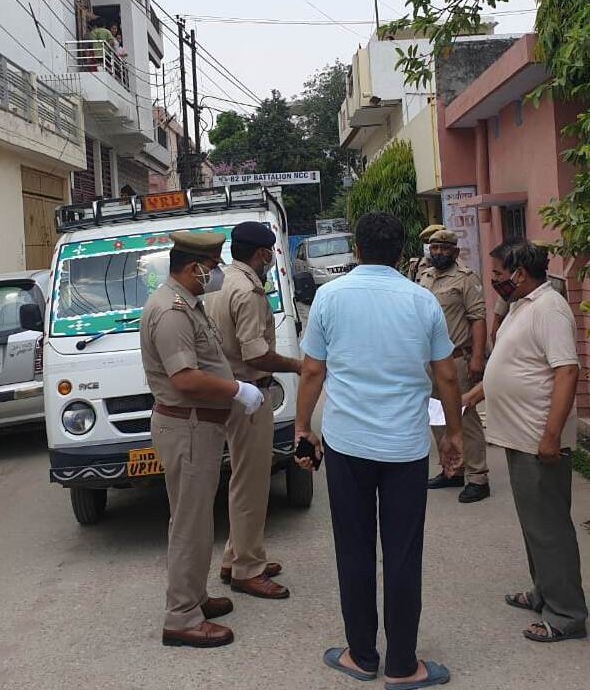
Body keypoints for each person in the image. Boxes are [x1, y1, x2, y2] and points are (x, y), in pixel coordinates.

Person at [295, 211, 463, 688]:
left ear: (358, 250)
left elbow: (312, 371)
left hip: (348, 444)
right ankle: (404, 665)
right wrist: (453, 434)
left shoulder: (329, 297)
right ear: (399, 251)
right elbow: (446, 375)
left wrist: (303, 426)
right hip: (406, 447)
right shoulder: (422, 300)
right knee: (404, 552)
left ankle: (362, 655)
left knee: (354, 548)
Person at [140, 230, 266, 648]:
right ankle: (181, 617)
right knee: (190, 525)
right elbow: (185, 378)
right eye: (211, 268)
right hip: (187, 426)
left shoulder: (186, 303)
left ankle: (193, 597)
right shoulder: (172, 311)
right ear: (194, 267)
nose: (215, 275)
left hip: (197, 426)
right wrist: (238, 390)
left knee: (195, 519)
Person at [462, 239, 588, 642]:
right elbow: (514, 364)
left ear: (519, 273)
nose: (495, 281)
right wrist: (474, 395)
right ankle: (543, 592)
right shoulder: (522, 305)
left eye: (498, 274)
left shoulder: (550, 309)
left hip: (538, 440)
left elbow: (567, 371)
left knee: (550, 529)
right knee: (535, 526)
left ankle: (566, 615)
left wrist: (551, 437)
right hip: (519, 438)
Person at [206, 221, 300, 599]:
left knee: (242, 480)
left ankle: (236, 556)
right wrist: (299, 366)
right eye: (269, 254)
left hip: (228, 392)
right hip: (248, 395)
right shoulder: (248, 291)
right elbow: (256, 353)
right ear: (262, 254)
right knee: (252, 483)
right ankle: (248, 568)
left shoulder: (220, 281)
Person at [417, 228, 490, 501]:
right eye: (434, 249)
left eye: (443, 249)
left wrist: (477, 357)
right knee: (437, 416)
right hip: (430, 361)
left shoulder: (466, 279)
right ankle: (452, 470)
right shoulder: (424, 276)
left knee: (464, 416)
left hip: (458, 359)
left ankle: (477, 476)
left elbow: (478, 318)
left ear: (455, 252)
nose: (437, 253)